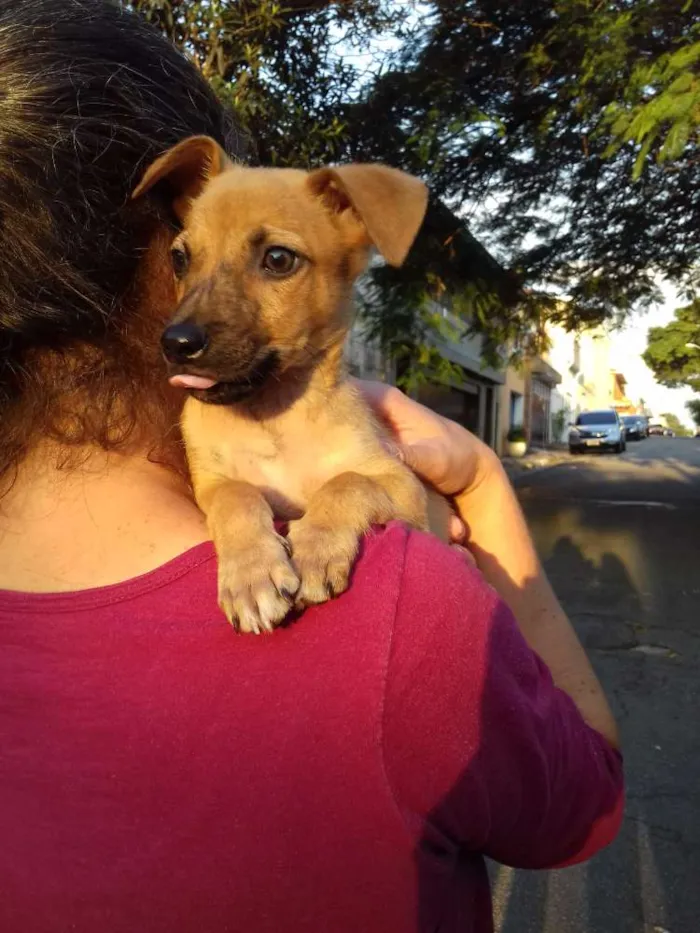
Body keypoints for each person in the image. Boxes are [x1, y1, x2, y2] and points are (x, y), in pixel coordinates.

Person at [0, 2, 623, 932]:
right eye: (185, 260)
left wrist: (344, 499)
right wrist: (485, 487)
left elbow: (382, 487)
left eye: (275, 262)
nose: (196, 309)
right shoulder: (406, 615)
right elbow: (588, 798)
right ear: (139, 265)